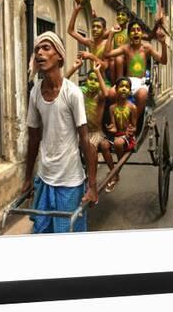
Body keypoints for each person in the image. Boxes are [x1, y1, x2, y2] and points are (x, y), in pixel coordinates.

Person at [24, 31, 98, 233]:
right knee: (41, 232)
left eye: (46, 48)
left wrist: (92, 186)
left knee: (66, 238)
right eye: (37, 49)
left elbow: (85, 139)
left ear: (59, 57)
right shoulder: (35, 93)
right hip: (44, 177)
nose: (40, 52)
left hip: (69, 181)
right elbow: (33, 139)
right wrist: (27, 178)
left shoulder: (72, 93)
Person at [105, 18, 167, 121]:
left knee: (142, 95)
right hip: (127, 81)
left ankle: (132, 123)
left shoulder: (147, 48)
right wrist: (111, 34)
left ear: (142, 34)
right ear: (129, 35)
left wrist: (163, 44)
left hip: (140, 82)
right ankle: (117, 119)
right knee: (111, 93)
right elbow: (107, 54)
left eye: (138, 30)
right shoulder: (126, 48)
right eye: (133, 30)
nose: (136, 32)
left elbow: (163, 61)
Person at [66, 59, 115, 173]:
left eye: (96, 80)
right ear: (86, 81)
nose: (93, 82)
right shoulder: (80, 93)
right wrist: (74, 68)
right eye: (90, 79)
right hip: (81, 132)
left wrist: (97, 71)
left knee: (90, 147)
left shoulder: (100, 96)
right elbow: (63, 83)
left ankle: (93, 179)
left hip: (96, 133)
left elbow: (106, 93)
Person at [105, 77, 137, 192]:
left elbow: (134, 126)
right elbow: (114, 126)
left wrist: (131, 131)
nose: (124, 89)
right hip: (117, 135)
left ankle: (116, 172)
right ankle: (113, 170)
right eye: (121, 87)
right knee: (104, 145)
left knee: (118, 143)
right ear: (116, 89)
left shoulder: (132, 107)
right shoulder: (112, 108)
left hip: (127, 136)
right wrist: (111, 128)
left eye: (126, 87)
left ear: (129, 90)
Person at [67, 2, 110, 70]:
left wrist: (90, 56)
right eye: (93, 26)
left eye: (98, 27)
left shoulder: (107, 44)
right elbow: (70, 31)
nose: (95, 29)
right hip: (92, 77)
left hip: (104, 79)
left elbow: (105, 66)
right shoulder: (90, 43)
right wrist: (75, 11)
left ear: (104, 30)